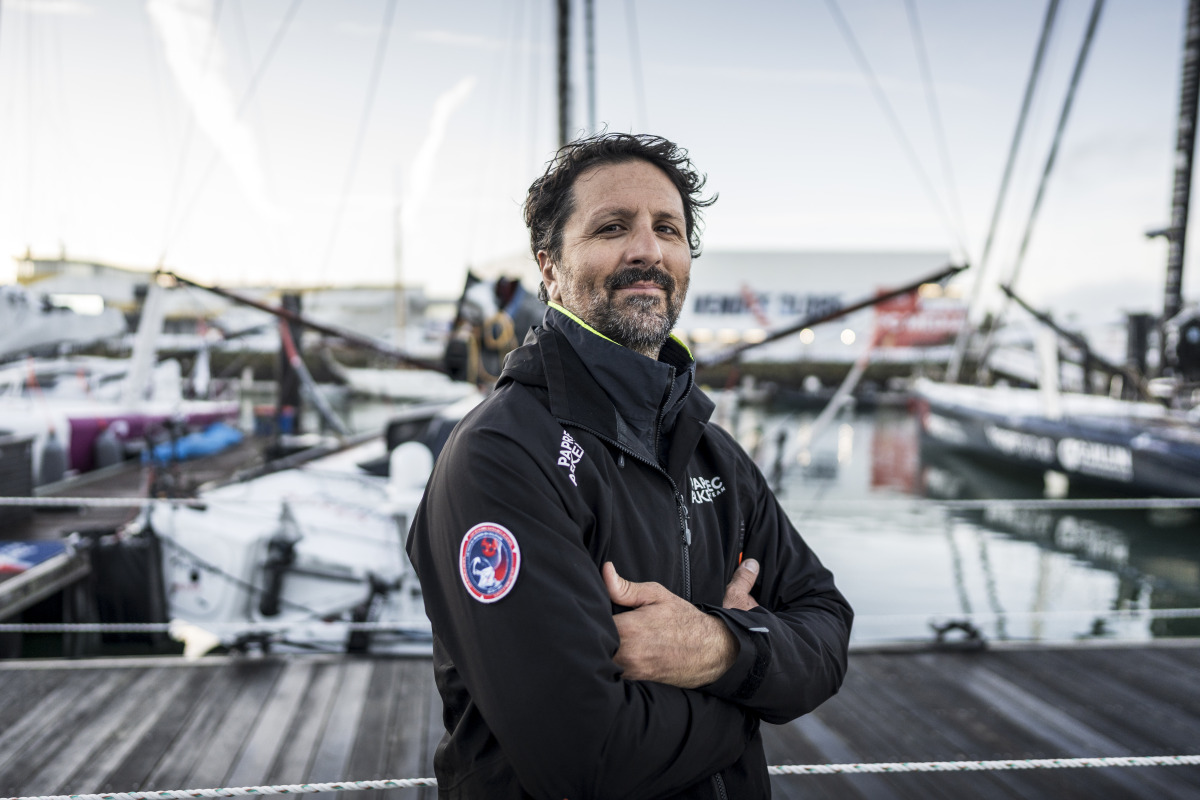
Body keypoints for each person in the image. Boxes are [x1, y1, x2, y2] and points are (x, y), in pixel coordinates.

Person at [407, 132, 853, 799]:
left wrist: (720, 648)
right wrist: (752, 698)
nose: (646, 250)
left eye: (667, 229)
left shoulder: (713, 453)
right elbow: (585, 757)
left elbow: (827, 624)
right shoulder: (501, 458)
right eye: (612, 227)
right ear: (550, 266)